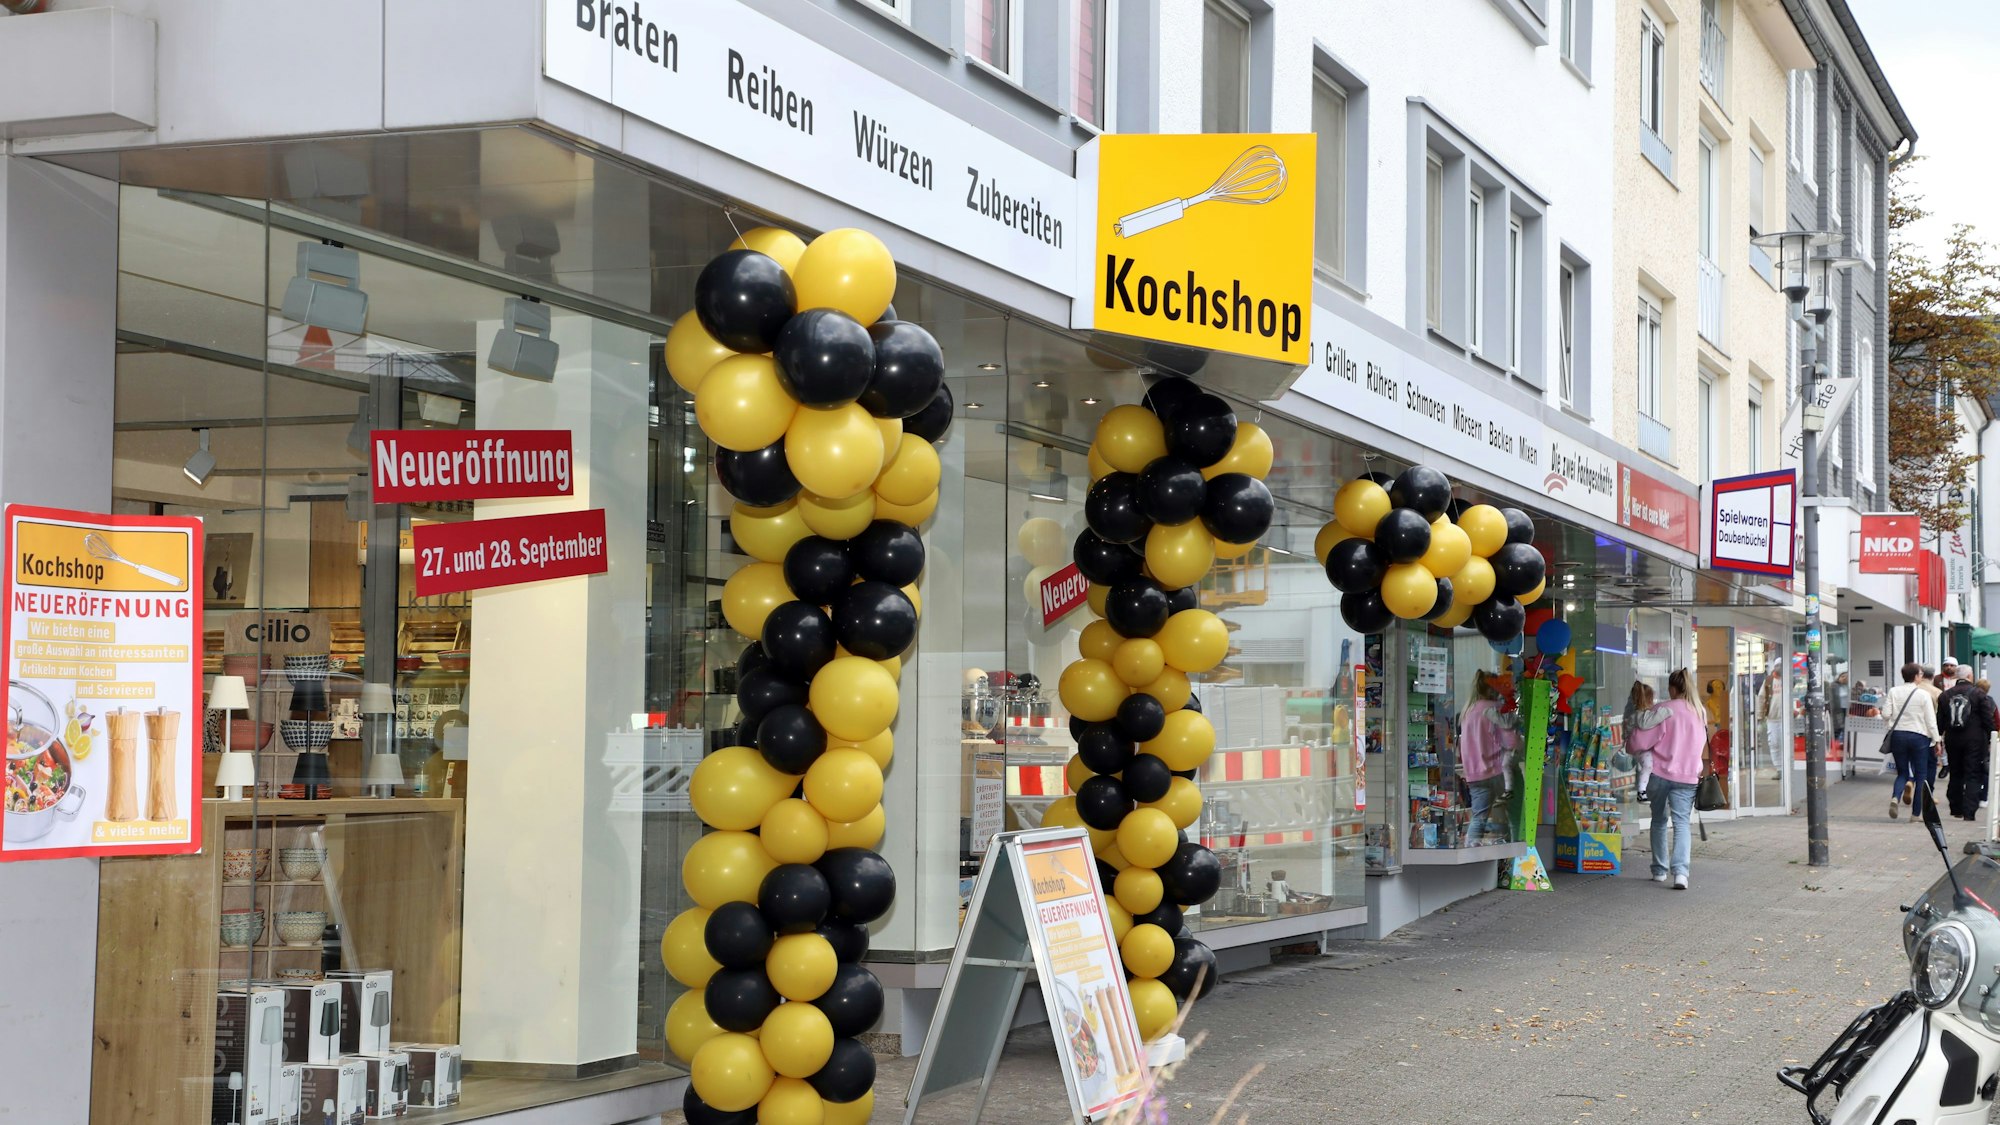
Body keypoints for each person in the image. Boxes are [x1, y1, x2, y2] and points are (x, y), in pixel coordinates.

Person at [1630, 668, 1711, 890]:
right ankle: (1681, 874)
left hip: (1659, 774)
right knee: (1682, 823)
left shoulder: (1664, 709)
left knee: (1658, 821)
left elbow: (1641, 741)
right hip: (1687, 776)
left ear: (1672, 688)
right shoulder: (1699, 711)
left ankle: (1659, 871)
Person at [1460, 672, 1518, 841]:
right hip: (1496, 771)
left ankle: (1472, 853)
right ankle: (1511, 855)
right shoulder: (1495, 708)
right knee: (1513, 814)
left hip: (1474, 774)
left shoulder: (1468, 710)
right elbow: (1510, 741)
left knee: (1478, 818)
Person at [1884, 661, 1943, 819]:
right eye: (1921, 674)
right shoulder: (1924, 695)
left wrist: (1891, 724)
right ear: (1916, 676)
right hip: (1919, 737)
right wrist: (1937, 741)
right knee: (1921, 776)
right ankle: (1915, 815)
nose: (1922, 676)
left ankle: (1895, 797)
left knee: (1902, 772)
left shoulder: (1893, 691)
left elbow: (1885, 714)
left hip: (1898, 736)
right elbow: (1930, 721)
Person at [1938, 672, 1996, 820]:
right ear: (1970, 676)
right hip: (1974, 741)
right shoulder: (1979, 694)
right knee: (1973, 774)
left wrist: (1938, 739)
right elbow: (1988, 720)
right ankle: (1969, 812)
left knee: (1956, 773)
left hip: (1952, 739)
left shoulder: (1945, 695)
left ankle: (1956, 808)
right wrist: (1992, 738)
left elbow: (1940, 722)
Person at [1623, 681, 1666, 797]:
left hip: (1641, 747)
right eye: (1651, 699)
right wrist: (1665, 712)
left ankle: (1645, 788)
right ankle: (1642, 791)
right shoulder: (1640, 715)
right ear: (1647, 700)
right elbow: (1645, 724)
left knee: (1648, 766)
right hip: (1641, 748)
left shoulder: (1636, 715)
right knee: (1648, 766)